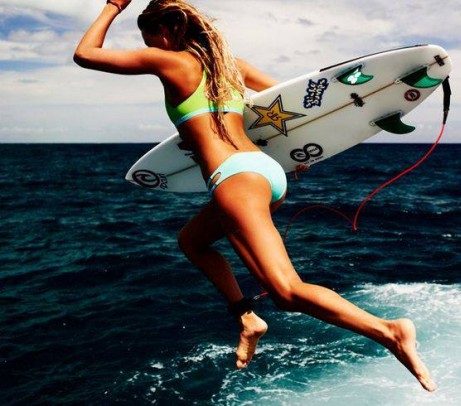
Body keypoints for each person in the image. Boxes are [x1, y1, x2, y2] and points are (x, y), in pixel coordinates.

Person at [74, 0, 436, 392]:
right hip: (265, 172)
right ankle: (246, 317)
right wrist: (298, 154)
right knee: (192, 241)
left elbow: (85, 54)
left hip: (234, 179)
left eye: (150, 40)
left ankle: (389, 331)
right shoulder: (231, 67)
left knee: (287, 291)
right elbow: (296, 110)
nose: (150, 48)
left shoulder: (169, 61)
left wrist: (113, 6)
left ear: (165, 32)